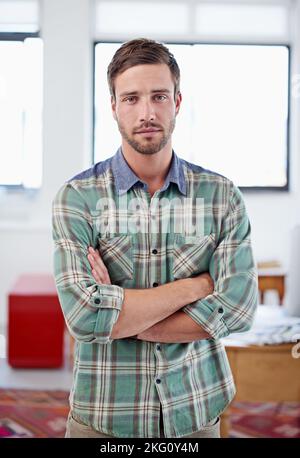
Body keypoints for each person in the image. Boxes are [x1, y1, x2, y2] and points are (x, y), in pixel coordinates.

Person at [52, 38, 258, 439]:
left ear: (177, 102)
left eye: (158, 96)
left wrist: (121, 313)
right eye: (131, 98)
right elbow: (83, 316)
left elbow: (237, 309)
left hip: (197, 414)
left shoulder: (221, 196)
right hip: (104, 420)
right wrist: (195, 286)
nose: (146, 112)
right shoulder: (77, 198)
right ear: (113, 107)